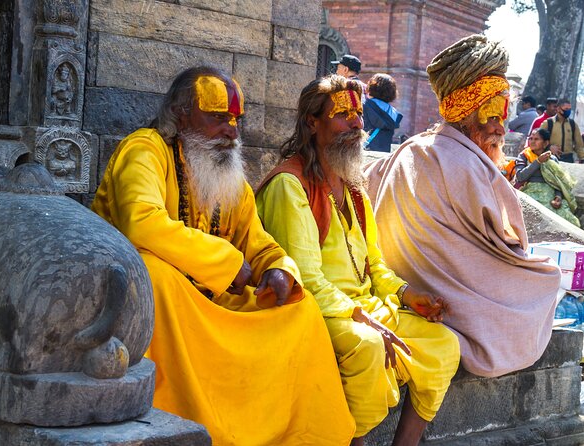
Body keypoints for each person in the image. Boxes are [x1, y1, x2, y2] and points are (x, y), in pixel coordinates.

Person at [91, 66, 355, 445]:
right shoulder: (145, 149)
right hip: (165, 305)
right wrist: (229, 264)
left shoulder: (227, 171)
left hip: (213, 304)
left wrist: (279, 269)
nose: (231, 131)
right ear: (181, 115)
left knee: (301, 309)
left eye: (235, 121)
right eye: (218, 119)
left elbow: (259, 242)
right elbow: (140, 224)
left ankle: (296, 436)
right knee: (154, 273)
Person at [256, 75, 460, 446]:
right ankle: (355, 440)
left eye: (358, 114)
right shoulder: (290, 185)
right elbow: (305, 278)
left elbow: (374, 266)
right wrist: (358, 315)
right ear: (312, 123)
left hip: (367, 306)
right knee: (367, 347)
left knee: (445, 344)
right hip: (317, 311)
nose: (356, 123)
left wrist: (405, 294)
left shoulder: (354, 188)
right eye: (342, 114)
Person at [364, 35, 561, 378]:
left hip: (402, 287)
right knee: (547, 276)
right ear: (467, 115)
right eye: (492, 117)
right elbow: (508, 242)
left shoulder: (409, 148)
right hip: (445, 296)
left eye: (503, 116)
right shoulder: (468, 163)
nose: (501, 129)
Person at [515, 128, 580, 227]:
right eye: (531, 138)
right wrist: (538, 162)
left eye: (536, 139)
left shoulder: (552, 158)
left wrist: (558, 197)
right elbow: (520, 176)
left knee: (568, 220)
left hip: (550, 195)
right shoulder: (524, 156)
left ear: (545, 143)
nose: (532, 141)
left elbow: (558, 182)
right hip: (530, 193)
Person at [363, 73, 403, 152]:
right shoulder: (395, 114)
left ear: (371, 88)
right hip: (383, 156)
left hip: (365, 151)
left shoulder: (364, 106)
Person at [540, 98, 584, 163]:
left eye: (569, 109)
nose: (568, 111)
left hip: (568, 159)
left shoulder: (573, 124)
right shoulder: (548, 123)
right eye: (566, 109)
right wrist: (549, 147)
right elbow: (539, 140)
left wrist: (582, 158)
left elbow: (579, 145)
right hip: (551, 158)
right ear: (558, 109)